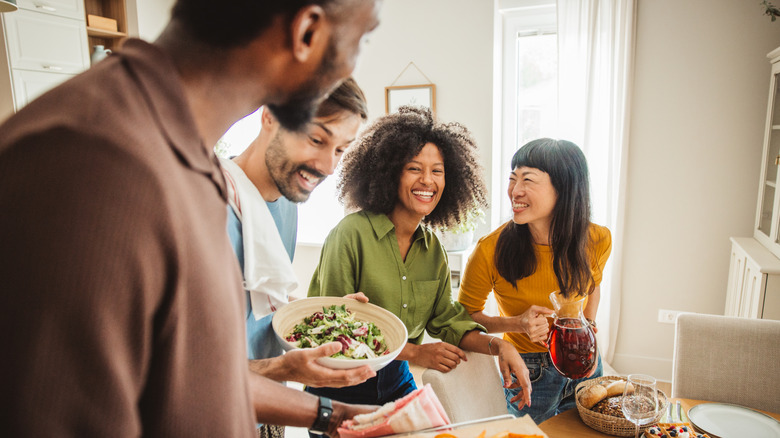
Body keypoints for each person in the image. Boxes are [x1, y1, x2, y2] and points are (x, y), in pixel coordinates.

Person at [0, 0, 382, 436]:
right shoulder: (90, 162)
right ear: (306, 33)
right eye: (363, 38)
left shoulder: (191, 161)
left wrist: (330, 416)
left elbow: (191, 374)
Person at [306, 106, 532, 411]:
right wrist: (414, 353)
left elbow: (448, 322)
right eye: (414, 168)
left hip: (396, 380)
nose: (427, 180)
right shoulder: (351, 234)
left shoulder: (432, 250)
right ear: (389, 173)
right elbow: (333, 328)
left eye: (437, 170)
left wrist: (501, 345)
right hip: (339, 382)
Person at [221, 78, 375, 438]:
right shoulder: (210, 211)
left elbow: (264, 297)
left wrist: (324, 316)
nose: (328, 166)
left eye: (341, 150)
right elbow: (186, 372)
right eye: (317, 139)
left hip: (267, 406)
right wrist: (282, 369)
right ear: (269, 116)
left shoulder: (287, 200)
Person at [458, 138, 612, 424]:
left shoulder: (597, 239)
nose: (515, 190)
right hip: (531, 369)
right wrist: (516, 323)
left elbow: (593, 287)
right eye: (512, 179)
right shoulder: (490, 250)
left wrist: (588, 328)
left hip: (586, 360)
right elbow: (465, 317)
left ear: (564, 189)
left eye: (528, 180)